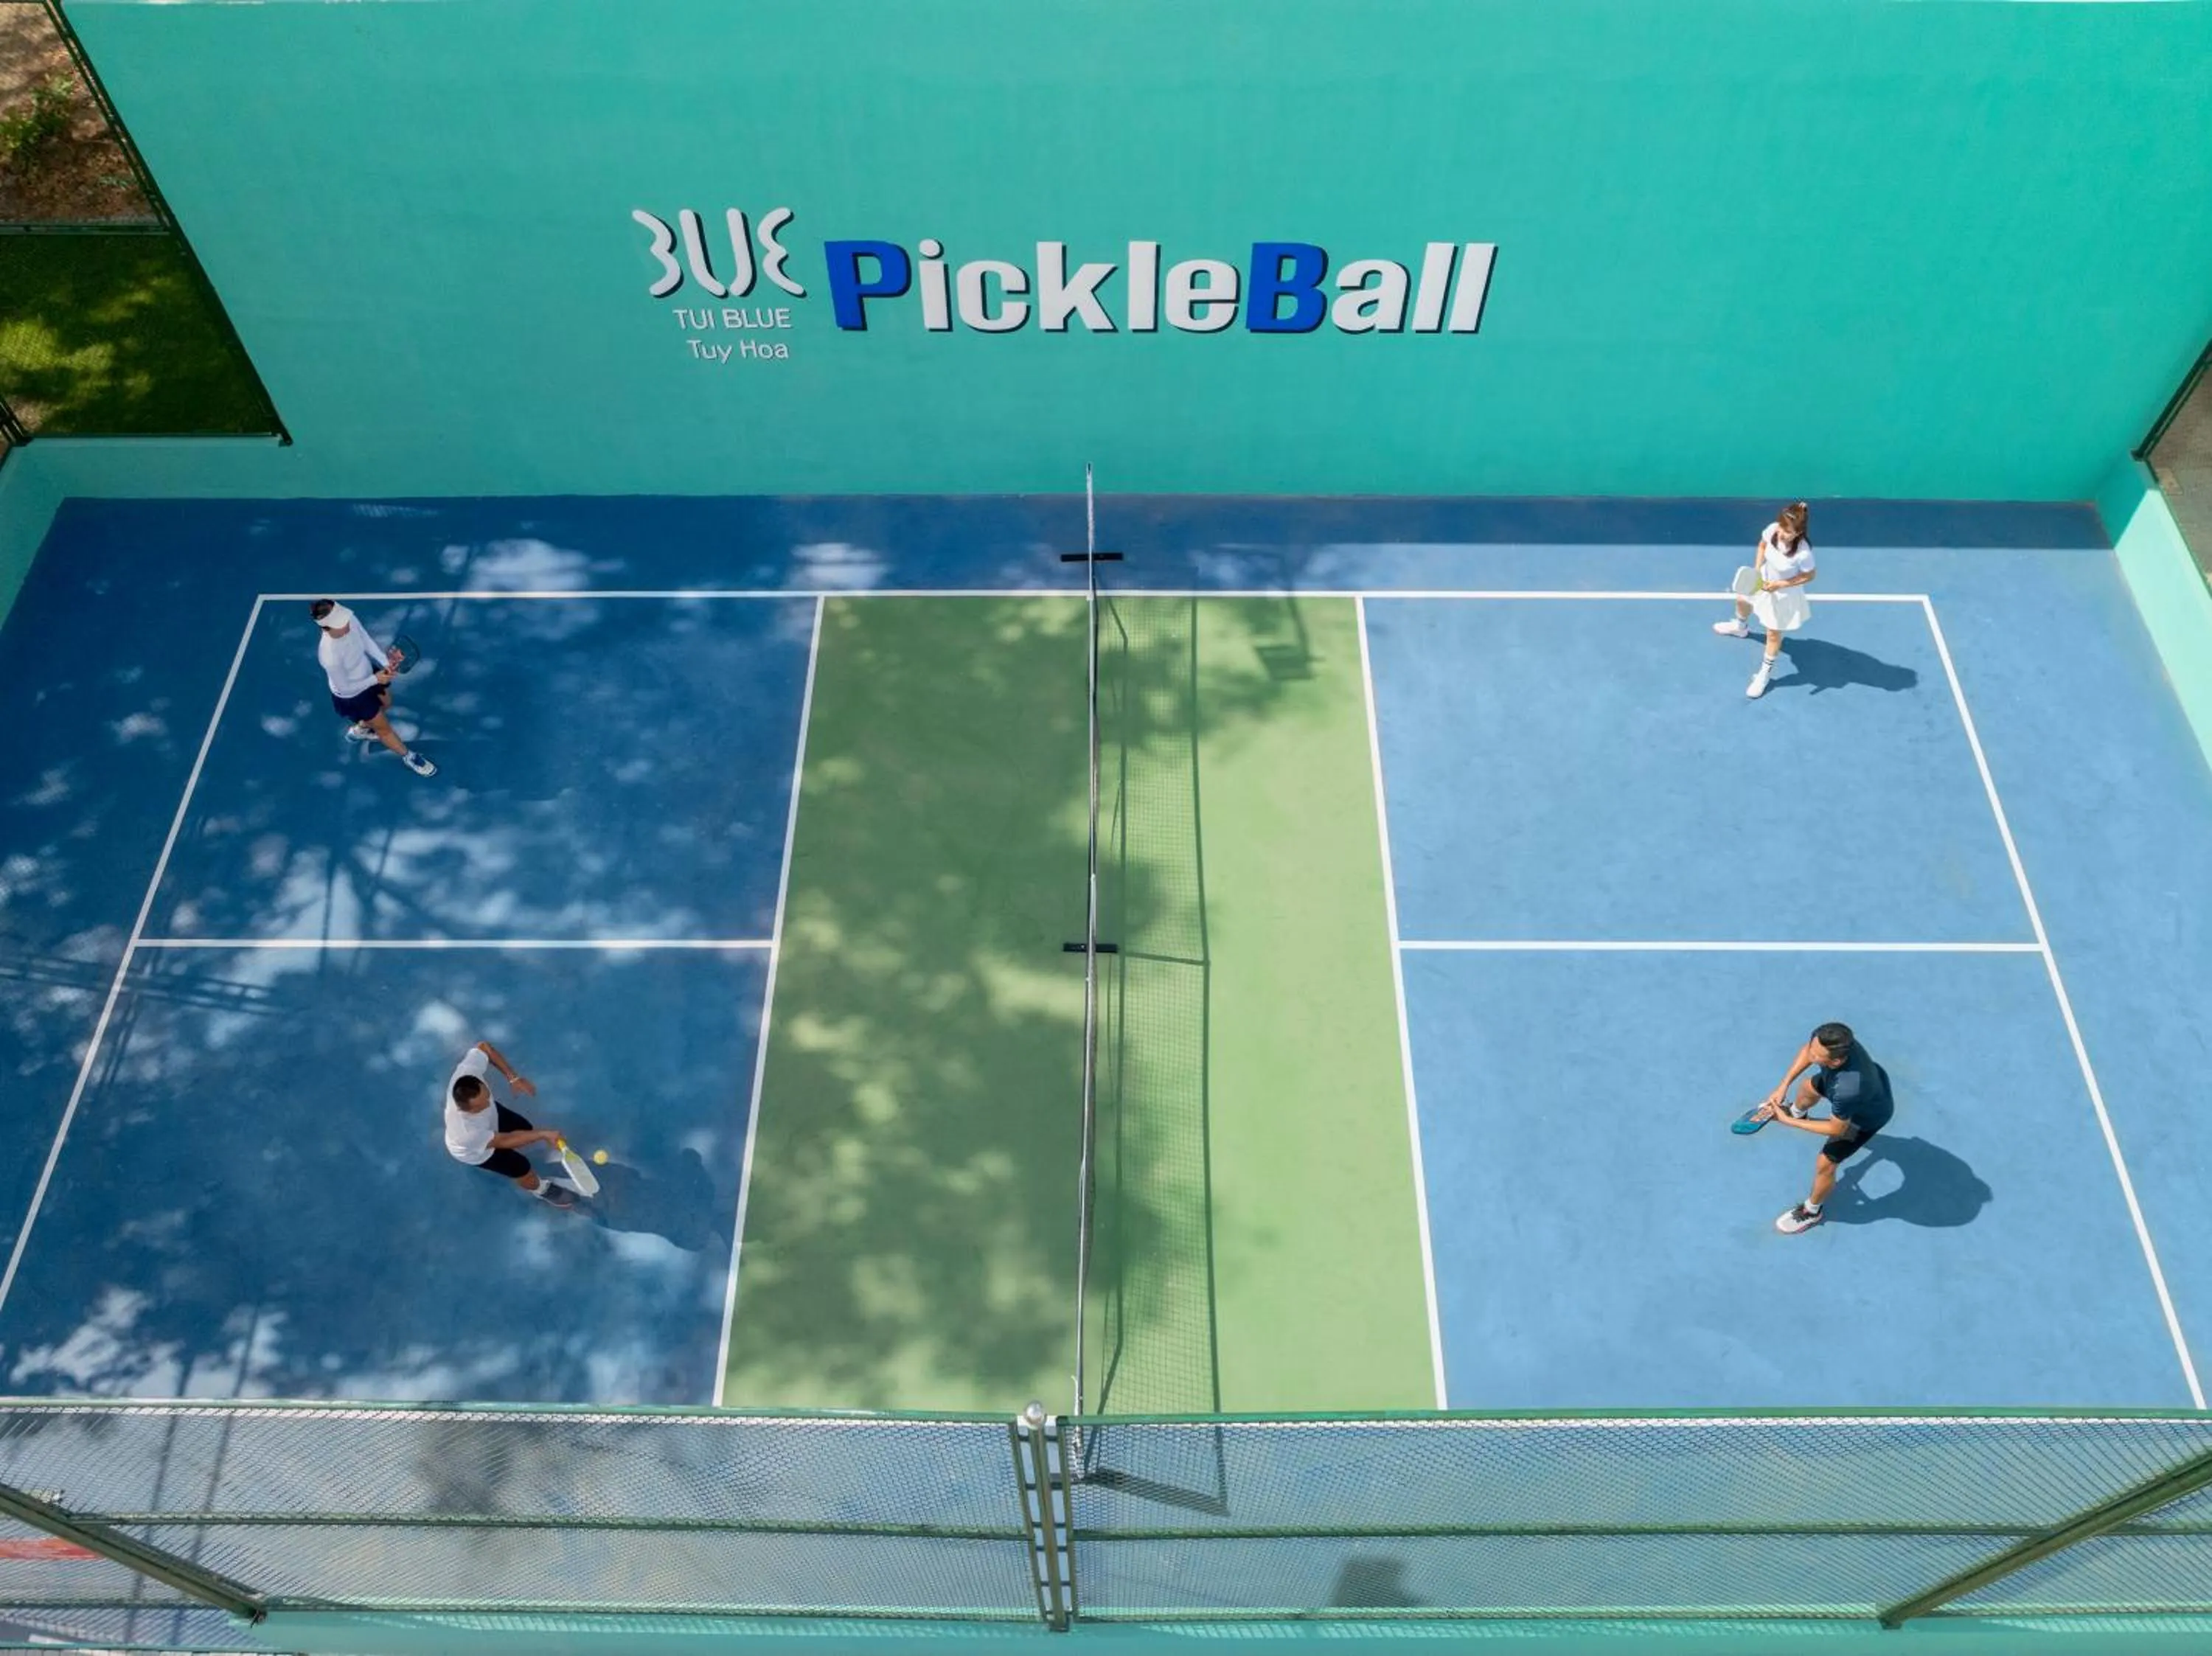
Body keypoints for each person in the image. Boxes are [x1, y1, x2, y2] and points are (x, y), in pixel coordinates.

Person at [1751, 1021, 1895, 1234]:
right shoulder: (1833, 1039)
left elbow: (1837, 1129)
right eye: (1813, 1047)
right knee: (1807, 1087)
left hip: (1865, 1117)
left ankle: (1811, 1211)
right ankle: (1796, 1111)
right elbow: (1807, 1051)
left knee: (1825, 1163)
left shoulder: (1847, 1088)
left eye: (1817, 1056)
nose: (1811, 1055)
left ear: (1836, 1061)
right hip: (1862, 1083)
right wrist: (1783, 1086)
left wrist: (1785, 1121)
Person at [444, 1040, 585, 1208]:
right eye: (482, 1105)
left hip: (490, 1124)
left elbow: (484, 1047)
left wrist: (514, 1079)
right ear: (466, 1109)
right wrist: (544, 1134)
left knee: (524, 1129)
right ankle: (541, 1190)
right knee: (521, 1167)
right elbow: (505, 1140)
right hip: (480, 1151)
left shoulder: (467, 1073)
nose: (488, 1103)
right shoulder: (466, 1134)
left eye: (487, 1095)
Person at [313, 600, 436, 776]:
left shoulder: (348, 620)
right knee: (383, 729)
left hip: (368, 674)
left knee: (386, 703)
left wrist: (385, 663)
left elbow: (365, 640)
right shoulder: (329, 656)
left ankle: (361, 729)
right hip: (353, 695)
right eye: (340, 623)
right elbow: (346, 689)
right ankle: (409, 757)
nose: (346, 624)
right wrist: (375, 679)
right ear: (327, 627)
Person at [1713, 502, 1816, 699]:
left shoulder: (1803, 554)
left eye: (1788, 531)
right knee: (1742, 599)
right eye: (1782, 527)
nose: (1782, 533)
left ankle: (1764, 674)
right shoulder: (1772, 530)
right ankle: (1740, 627)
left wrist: (1781, 584)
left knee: (1773, 634)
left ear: (1799, 533)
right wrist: (1757, 570)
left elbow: (1809, 576)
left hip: (1783, 593)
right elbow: (1762, 546)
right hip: (1764, 578)